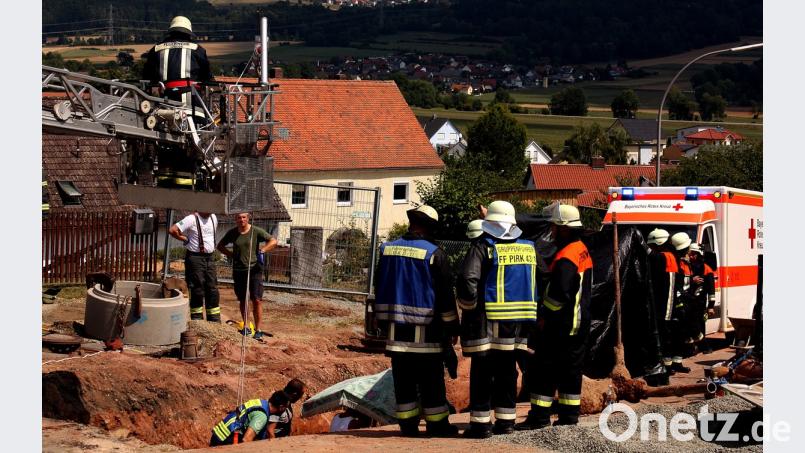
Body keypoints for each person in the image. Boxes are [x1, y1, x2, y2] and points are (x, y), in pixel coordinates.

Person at [457, 201, 542, 438]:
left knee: (482, 372)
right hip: (518, 325)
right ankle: (506, 424)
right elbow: (541, 279)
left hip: (487, 322)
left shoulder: (483, 246)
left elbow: (467, 280)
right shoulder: (529, 248)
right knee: (507, 372)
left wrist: (469, 306)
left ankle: (481, 426)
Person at [375, 205, 459, 437]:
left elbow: (379, 285)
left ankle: (408, 426)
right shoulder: (434, 254)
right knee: (431, 381)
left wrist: (381, 321)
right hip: (427, 331)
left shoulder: (387, 249)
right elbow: (444, 296)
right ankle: (437, 426)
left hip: (395, 330)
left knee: (403, 382)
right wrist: (452, 327)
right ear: (430, 226)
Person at [516, 203, 591, 430]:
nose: (552, 232)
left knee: (543, 369)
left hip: (561, 324)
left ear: (564, 228)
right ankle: (569, 417)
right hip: (578, 322)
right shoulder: (581, 248)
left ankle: (539, 417)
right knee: (571, 371)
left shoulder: (567, 256)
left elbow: (559, 293)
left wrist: (544, 316)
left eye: (555, 228)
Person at [217, 213, 278, 339]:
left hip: (254, 270)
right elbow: (220, 246)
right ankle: (246, 326)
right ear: (236, 219)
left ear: (248, 218)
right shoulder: (233, 233)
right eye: (239, 217)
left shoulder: (256, 231)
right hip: (239, 271)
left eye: (244, 217)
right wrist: (231, 255)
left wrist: (263, 250)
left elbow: (273, 241)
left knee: (256, 299)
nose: (241, 220)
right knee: (243, 299)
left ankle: (258, 329)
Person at [143, 16, 213, 107]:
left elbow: (147, 76)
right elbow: (206, 76)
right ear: (188, 33)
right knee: (203, 120)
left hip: (165, 101)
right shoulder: (197, 49)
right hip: (192, 103)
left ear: (171, 32)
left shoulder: (157, 49)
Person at [169, 211, 220, 322]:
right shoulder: (191, 219)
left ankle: (214, 320)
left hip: (210, 257)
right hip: (195, 257)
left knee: (212, 288)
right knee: (197, 287)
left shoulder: (213, 217)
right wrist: (186, 239)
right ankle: (197, 320)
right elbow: (173, 230)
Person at [646, 228, 678, 376]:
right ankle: (668, 364)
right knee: (665, 333)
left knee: (664, 333)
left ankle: (666, 366)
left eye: (652, 245)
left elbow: (653, 257)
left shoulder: (666, 256)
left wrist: (640, 243)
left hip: (666, 304)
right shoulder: (669, 255)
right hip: (664, 302)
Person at [209, 391, 289, 446]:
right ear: (281, 407)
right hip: (226, 439)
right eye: (286, 407)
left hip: (219, 435)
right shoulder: (261, 417)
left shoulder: (261, 403)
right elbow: (246, 440)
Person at [668, 231, 693, 373]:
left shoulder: (682, 261)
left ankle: (677, 362)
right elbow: (676, 287)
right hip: (677, 304)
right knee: (672, 335)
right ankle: (669, 365)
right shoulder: (675, 261)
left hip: (684, 302)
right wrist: (680, 304)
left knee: (681, 335)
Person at [687, 243, 717, 351]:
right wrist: (692, 280)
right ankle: (692, 347)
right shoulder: (687, 266)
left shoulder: (706, 269)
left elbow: (711, 290)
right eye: (690, 254)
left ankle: (703, 346)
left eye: (694, 254)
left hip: (700, 303)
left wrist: (711, 306)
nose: (691, 256)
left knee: (700, 324)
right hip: (688, 301)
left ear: (699, 255)